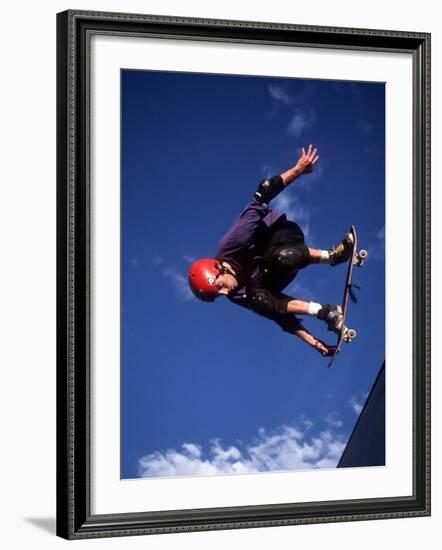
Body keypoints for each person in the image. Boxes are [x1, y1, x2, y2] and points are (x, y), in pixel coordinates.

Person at [188, 145, 354, 357]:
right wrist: (313, 342)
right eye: (218, 295)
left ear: (219, 268)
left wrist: (298, 169)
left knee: (279, 257)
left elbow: (262, 195)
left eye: (219, 286)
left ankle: (332, 256)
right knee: (258, 300)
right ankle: (326, 312)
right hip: (273, 275)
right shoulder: (237, 295)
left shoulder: (232, 242)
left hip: (283, 237)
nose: (225, 293)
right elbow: (279, 314)